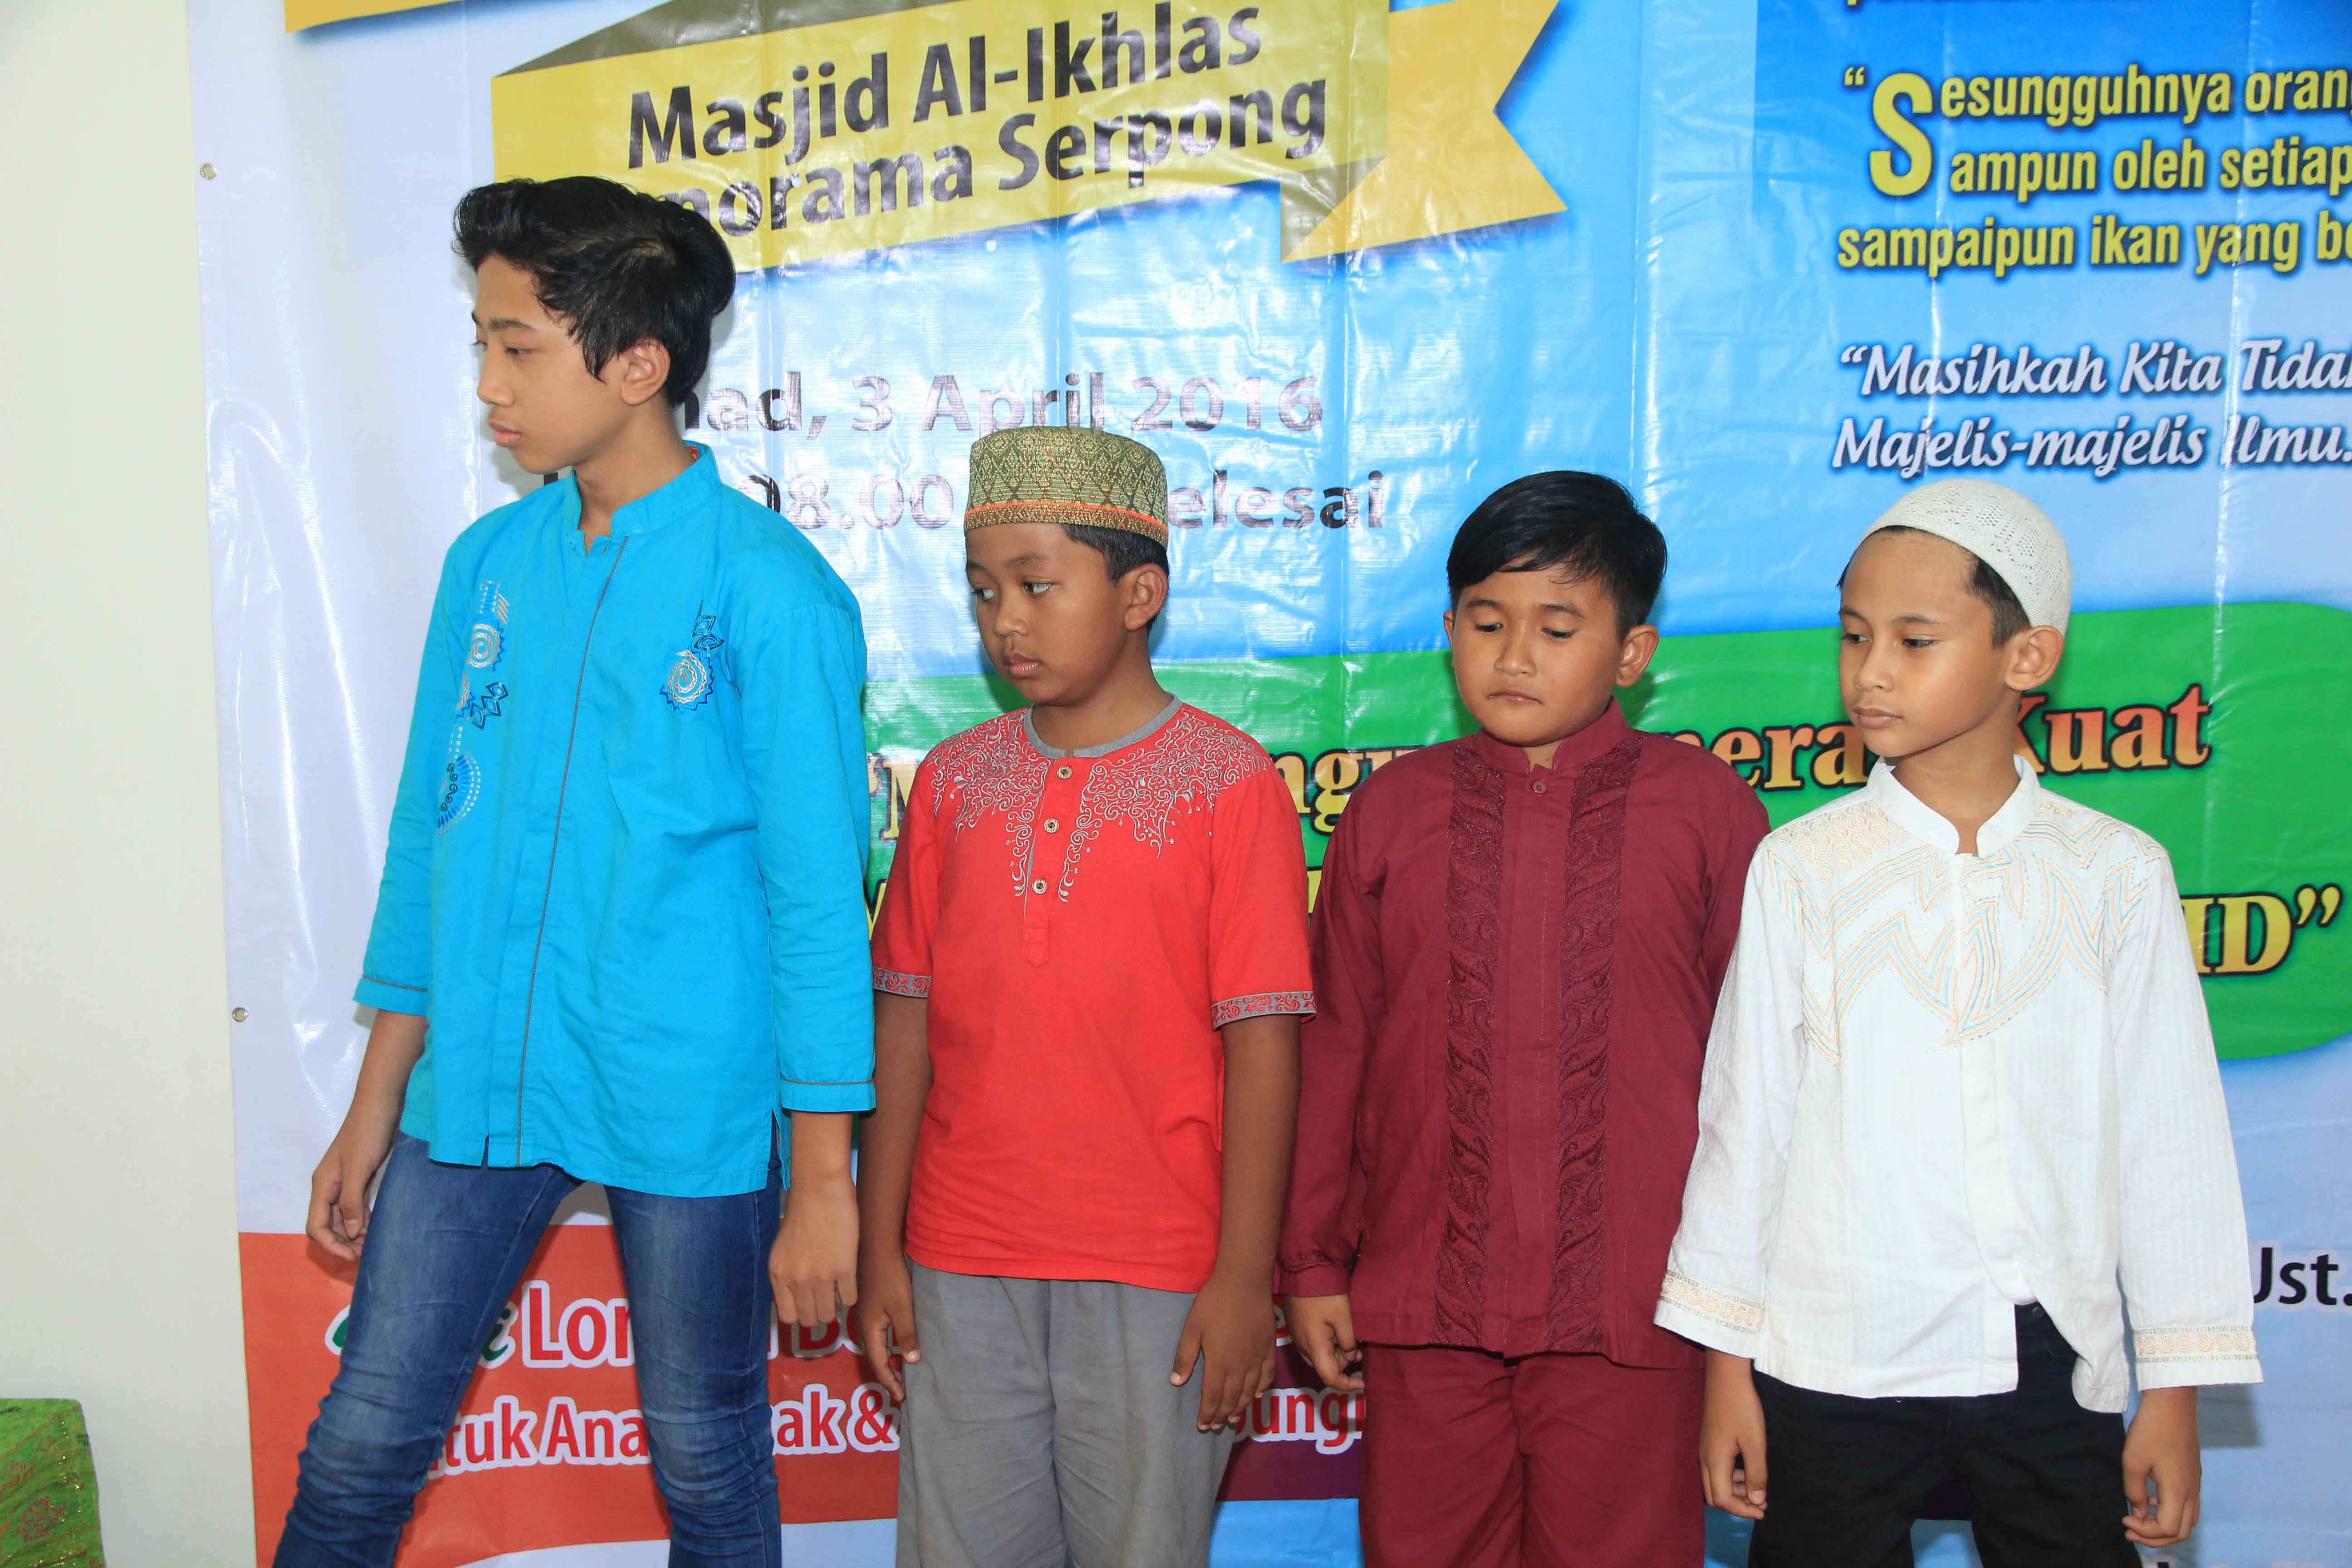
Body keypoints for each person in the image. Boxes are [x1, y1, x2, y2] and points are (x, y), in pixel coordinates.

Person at [277, 177, 875, 1568]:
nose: (489, 384)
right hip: (479, 1085)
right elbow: (430, 842)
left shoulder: (771, 591)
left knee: (706, 1458)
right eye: (481, 344)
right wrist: (375, 1106)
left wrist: (825, 1179)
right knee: (362, 1442)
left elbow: (815, 909)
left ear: (638, 365)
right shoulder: (488, 566)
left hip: (690, 1097)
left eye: (518, 347)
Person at [1656, 479, 2261, 1565]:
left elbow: (2169, 1139)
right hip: (1832, 1355)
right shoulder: (1803, 868)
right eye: (1855, 636)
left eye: (1915, 640)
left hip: (2049, 1355)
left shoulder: (2115, 873)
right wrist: (1727, 1370)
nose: (1871, 671)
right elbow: (1747, 1130)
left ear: (2027, 657)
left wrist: (2173, 1391)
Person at [1278, 472, 1769, 1567]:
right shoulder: (1391, 813)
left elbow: (1758, 1073)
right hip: (1423, 1304)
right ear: (1450, 629)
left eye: (1557, 628)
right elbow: (1335, 1048)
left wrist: (1742, 1296)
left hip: (1637, 1308)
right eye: (1486, 622)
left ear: (1632, 653)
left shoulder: (1708, 812)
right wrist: (1311, 1264)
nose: (1514, 657)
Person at [855, 425, 1314, 1568]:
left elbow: (1264, 1048)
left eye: (1036, 586)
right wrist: (880, 1249)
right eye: (983, 591)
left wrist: (1244, 1279)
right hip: (959, 1258)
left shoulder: (1229, 784)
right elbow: (903, 1021)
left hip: (1162, 1268)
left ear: (1139, 594)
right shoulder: (955, 783)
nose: (1004, 621)